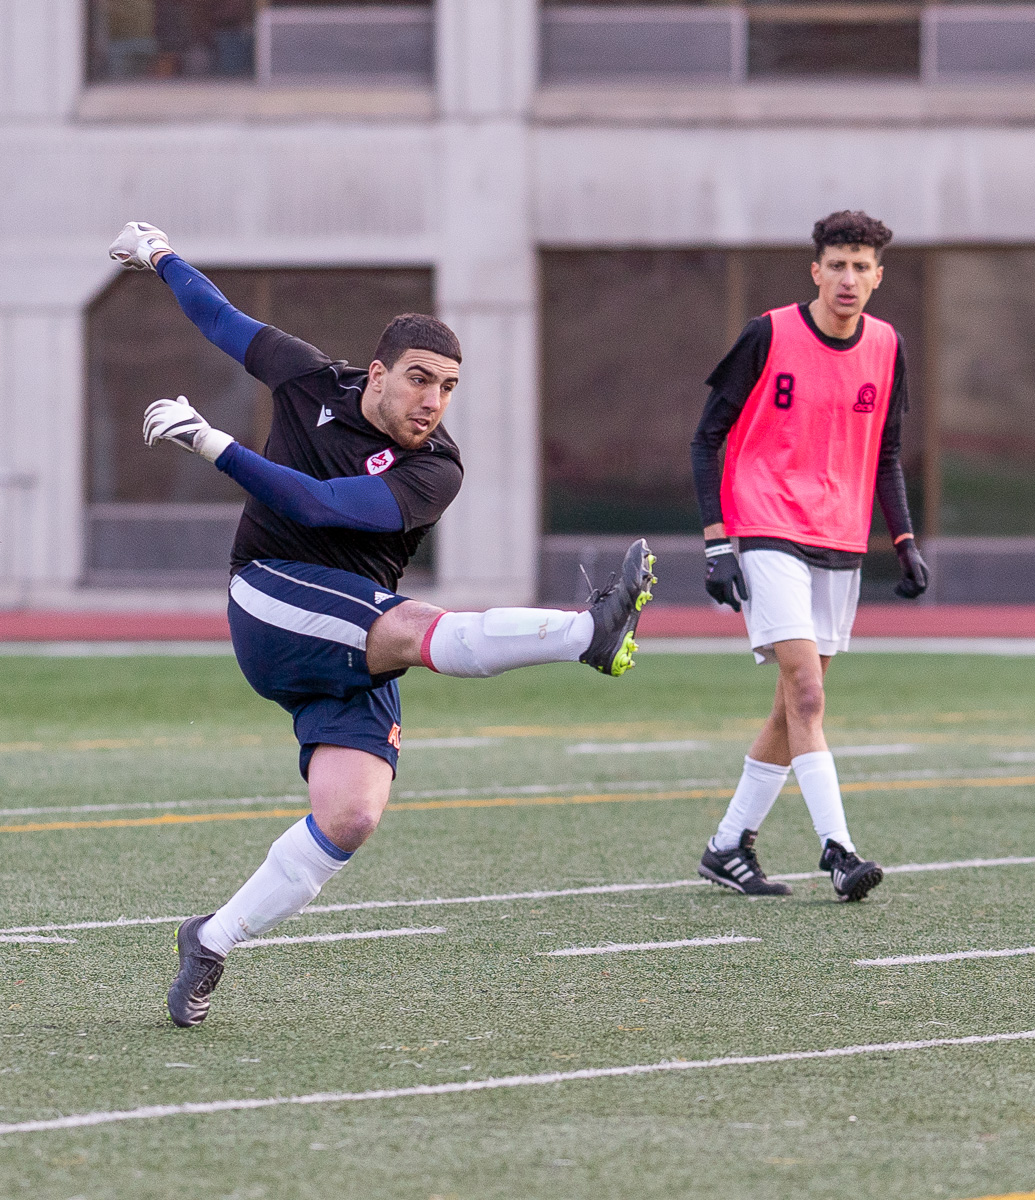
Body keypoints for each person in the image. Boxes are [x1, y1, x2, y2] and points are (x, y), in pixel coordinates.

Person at [107, 221, 656, 1026]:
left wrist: (212, 443)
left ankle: (211, 940)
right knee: (417, 626)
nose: (432, 401)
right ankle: (586, 635)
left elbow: (321, 502)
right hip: (272, 597)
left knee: (351, 814)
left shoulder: (436, 468)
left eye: (448, 388)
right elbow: (221, 319)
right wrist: (159, 255)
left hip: (351, 630)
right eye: (419, 380)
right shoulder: (308, 379)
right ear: (378, 373)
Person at [688, 210, 928, 902]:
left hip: (840, 540)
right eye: (838, 264)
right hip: (766, 529)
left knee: (789, 710)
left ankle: (728, 845)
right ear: (815, 270)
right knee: (809, 693)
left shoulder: (886, 347)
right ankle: (839, 851)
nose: (849, 278)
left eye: (862, 267)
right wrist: (717, 541)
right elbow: (707, 440)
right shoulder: (768, 334)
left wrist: (904, 540)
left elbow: (885, 453)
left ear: (878, 277)